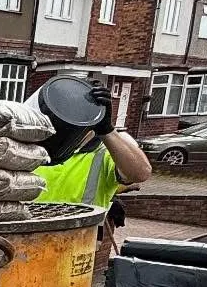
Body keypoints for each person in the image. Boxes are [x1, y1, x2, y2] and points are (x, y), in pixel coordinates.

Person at [34, 81, 152, 209]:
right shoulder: (38, 145)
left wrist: (107, 130)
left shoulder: (106, 152)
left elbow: (141, 173)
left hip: (81, 229)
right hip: (29, 227)